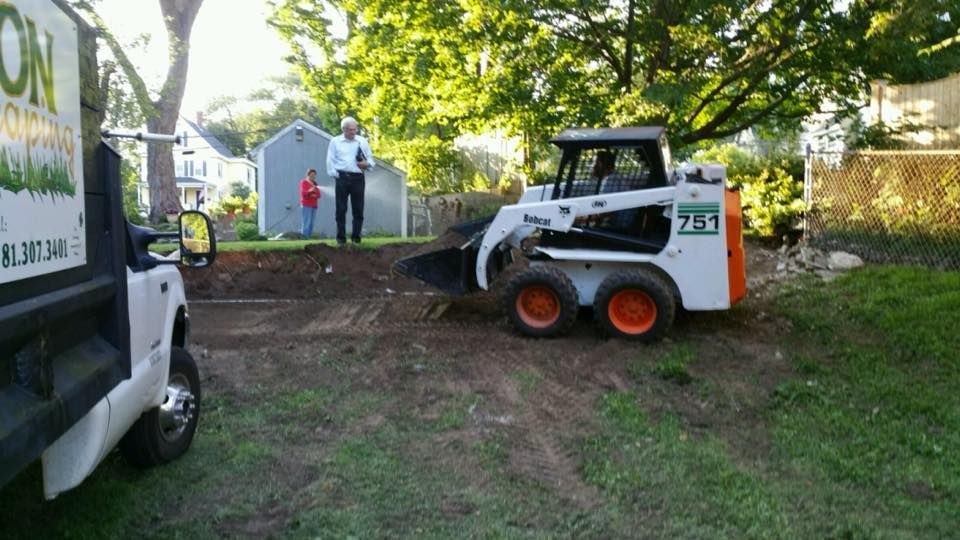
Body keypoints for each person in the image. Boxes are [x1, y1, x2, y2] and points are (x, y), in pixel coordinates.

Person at [326, 116, 375, 245]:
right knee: (341, 209)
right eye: (350, 130)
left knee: (358, 209)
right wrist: (335, 174)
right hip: (341, 177)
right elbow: (330, 160)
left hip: (358, 178)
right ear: (344, 130)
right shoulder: (335, 142)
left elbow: (371, 160)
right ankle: (341, 239)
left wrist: (367, 164)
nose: (354, 132)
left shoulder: (362, 141)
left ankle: (356, 239)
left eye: (355, 129)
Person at [299, 168, 321, 238]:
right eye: (312, 175)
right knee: (306, 222)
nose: (313, 176)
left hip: (314, 206)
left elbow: (318, 195)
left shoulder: (315, 184)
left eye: (314, 175)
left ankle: (308, 237)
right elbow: (303, 193)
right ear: (308, 175)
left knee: (311, 223)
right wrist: (310, 191)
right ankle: (304, 237)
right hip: (306, 205)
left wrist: (312, 194)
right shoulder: (304, 182)